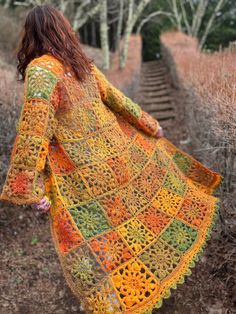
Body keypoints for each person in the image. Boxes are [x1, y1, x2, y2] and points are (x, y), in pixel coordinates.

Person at [0, 4, 222, 314]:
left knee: (96, 236)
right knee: (126, 225)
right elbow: (119, 100)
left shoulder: (42, 70)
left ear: (32, 34)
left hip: (84, 174)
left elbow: (34, 130)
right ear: (62, 29)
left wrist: (30, 186)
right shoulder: (80, 65)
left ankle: (117, 299)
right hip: (117, 160)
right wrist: (150, 124)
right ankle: (138, 282)